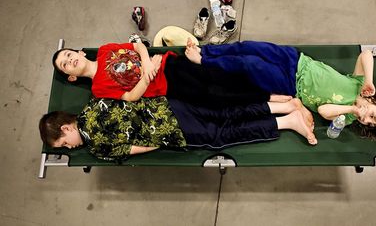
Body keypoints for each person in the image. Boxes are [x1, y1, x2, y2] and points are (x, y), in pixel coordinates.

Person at [184, 39, 376, 138]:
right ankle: (207, 51)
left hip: (290, 84)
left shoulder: (346, 117)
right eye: (373, 115)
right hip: (297, 60)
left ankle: (203, 62)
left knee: (248, 64)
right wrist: (369, 80)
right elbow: (366, 55)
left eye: (370, 124)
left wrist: (352, 111)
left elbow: (325, 111)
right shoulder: (360, 86)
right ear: (375, 101)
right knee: (248, 47)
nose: (367, 119)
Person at [39, 96, 317, 161]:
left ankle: (288, 122)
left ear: (66, 128)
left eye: (63, 144)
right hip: (171, 105)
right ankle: (285, 105)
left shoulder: (96, 147)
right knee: (226, 111)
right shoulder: (93, 105)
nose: (69, 148)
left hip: (173, 130)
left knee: (223, 136)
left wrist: (163, 141)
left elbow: (137, 148)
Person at [52, 42, 289, 108]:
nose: (70, 60)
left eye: (69, 54)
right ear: (71, 77)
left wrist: (147, 62)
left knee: (216, 75)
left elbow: (137, 46)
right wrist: (146, 76)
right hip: (166, 87)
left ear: (80, 52)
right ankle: (265, 97)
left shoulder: (105, 51)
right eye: (65, 65)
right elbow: (130, 97)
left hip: (168, 65)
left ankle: (269, 84)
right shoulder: (98, 89)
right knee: (214, 97)